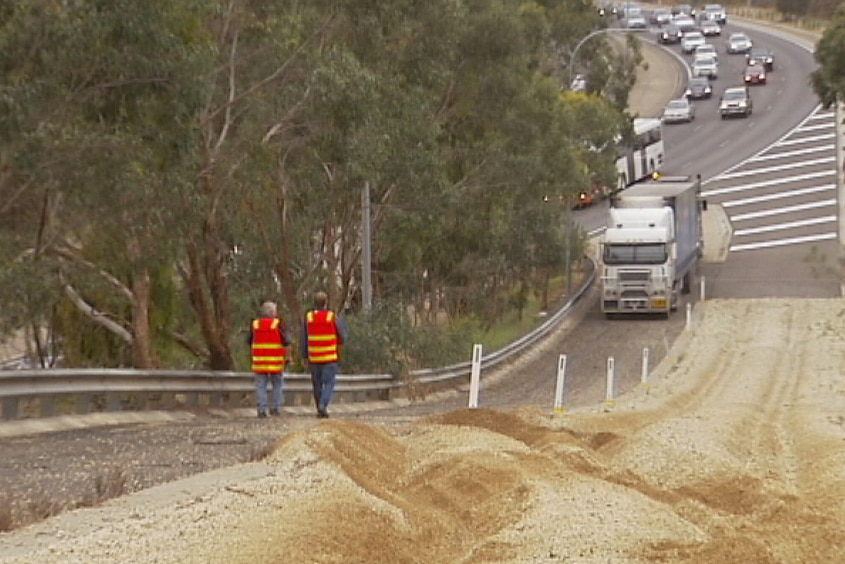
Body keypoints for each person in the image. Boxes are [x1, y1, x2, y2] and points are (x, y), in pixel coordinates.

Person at [301, 291, 347, 419]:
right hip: (329, 357)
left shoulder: (309, 317)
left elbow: (304, 338)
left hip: (314, 357)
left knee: (317, 384)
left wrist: (304, 355)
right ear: (325, 303)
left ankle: (319, 407)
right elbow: (342, 335)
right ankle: (323, 405)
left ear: (314, 303)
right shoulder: (332, 317)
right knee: (329, 383)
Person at [248, 301, 288, 418]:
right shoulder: (278, 324)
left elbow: (249, 341)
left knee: (261, 386)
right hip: (275, 362)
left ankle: (261, 410)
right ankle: (275, 408)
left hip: (260, 361)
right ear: (272, 312)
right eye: (275, 311)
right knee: (277, 384)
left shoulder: (255, 325)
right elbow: (286, 341)